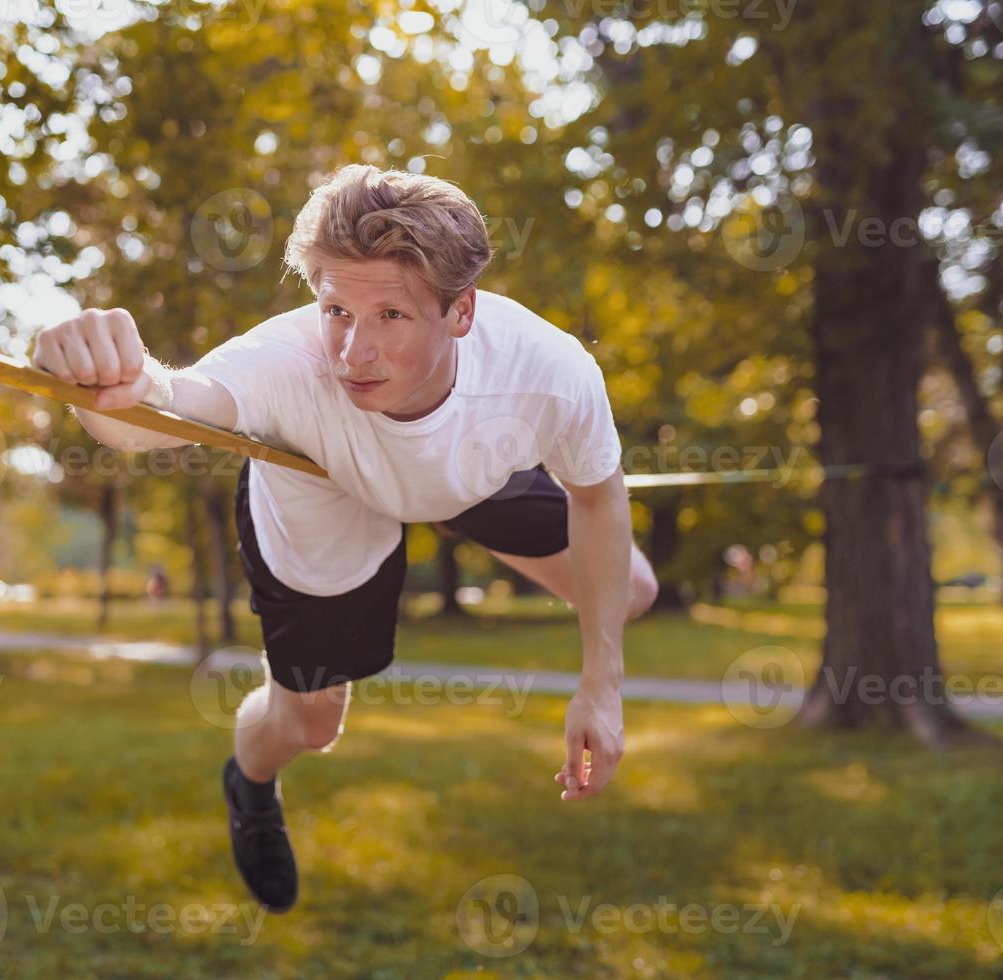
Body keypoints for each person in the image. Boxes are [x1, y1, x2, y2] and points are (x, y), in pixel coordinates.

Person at [33, 164, 659, 913]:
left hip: (468, 468)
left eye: (391, 317)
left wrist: (602, 685)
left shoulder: (548, 373)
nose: (353, 353)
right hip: (323, 482)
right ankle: (249, 781)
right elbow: (160, 411)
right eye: (336, 310)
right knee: (311, 724)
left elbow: (597, 492)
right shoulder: (287, 362)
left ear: (461, 313)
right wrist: (107, 386)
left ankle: (441, 498)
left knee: (633, 589)